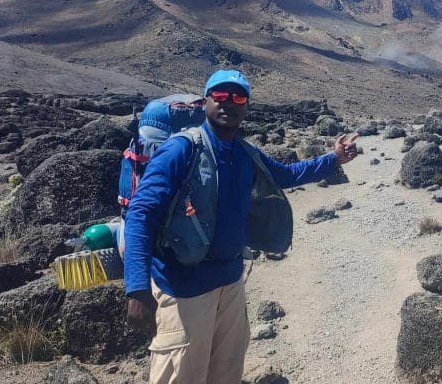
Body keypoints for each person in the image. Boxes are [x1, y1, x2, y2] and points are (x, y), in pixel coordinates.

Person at [123, 69, 358, 384]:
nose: (228, 103)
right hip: (184, 289)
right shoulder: (182, 149)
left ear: (246, 106)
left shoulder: (244, 153)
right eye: (219, 95)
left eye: (238, 97)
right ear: (206, 101)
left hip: (229, 284)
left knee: (226, 372)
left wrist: (333, 160)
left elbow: (285, 175)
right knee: (180, 377)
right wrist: (137, 288)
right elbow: (142, 213)